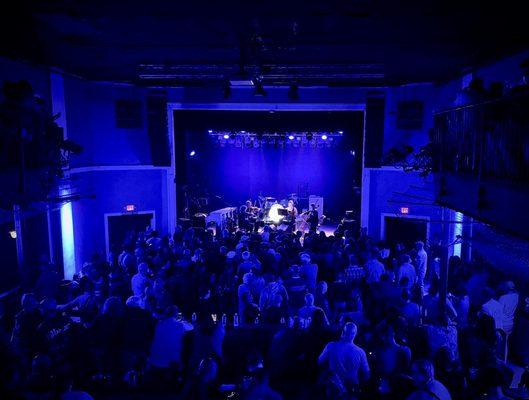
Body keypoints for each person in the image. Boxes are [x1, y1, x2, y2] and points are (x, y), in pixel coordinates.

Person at [318, 322, 370, 391]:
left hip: (333, 388)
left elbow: (319, 361)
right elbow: (367, 375)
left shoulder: (331, 346)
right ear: (355, 334)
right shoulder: (361, 352)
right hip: (352, 389)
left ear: (342, 332)